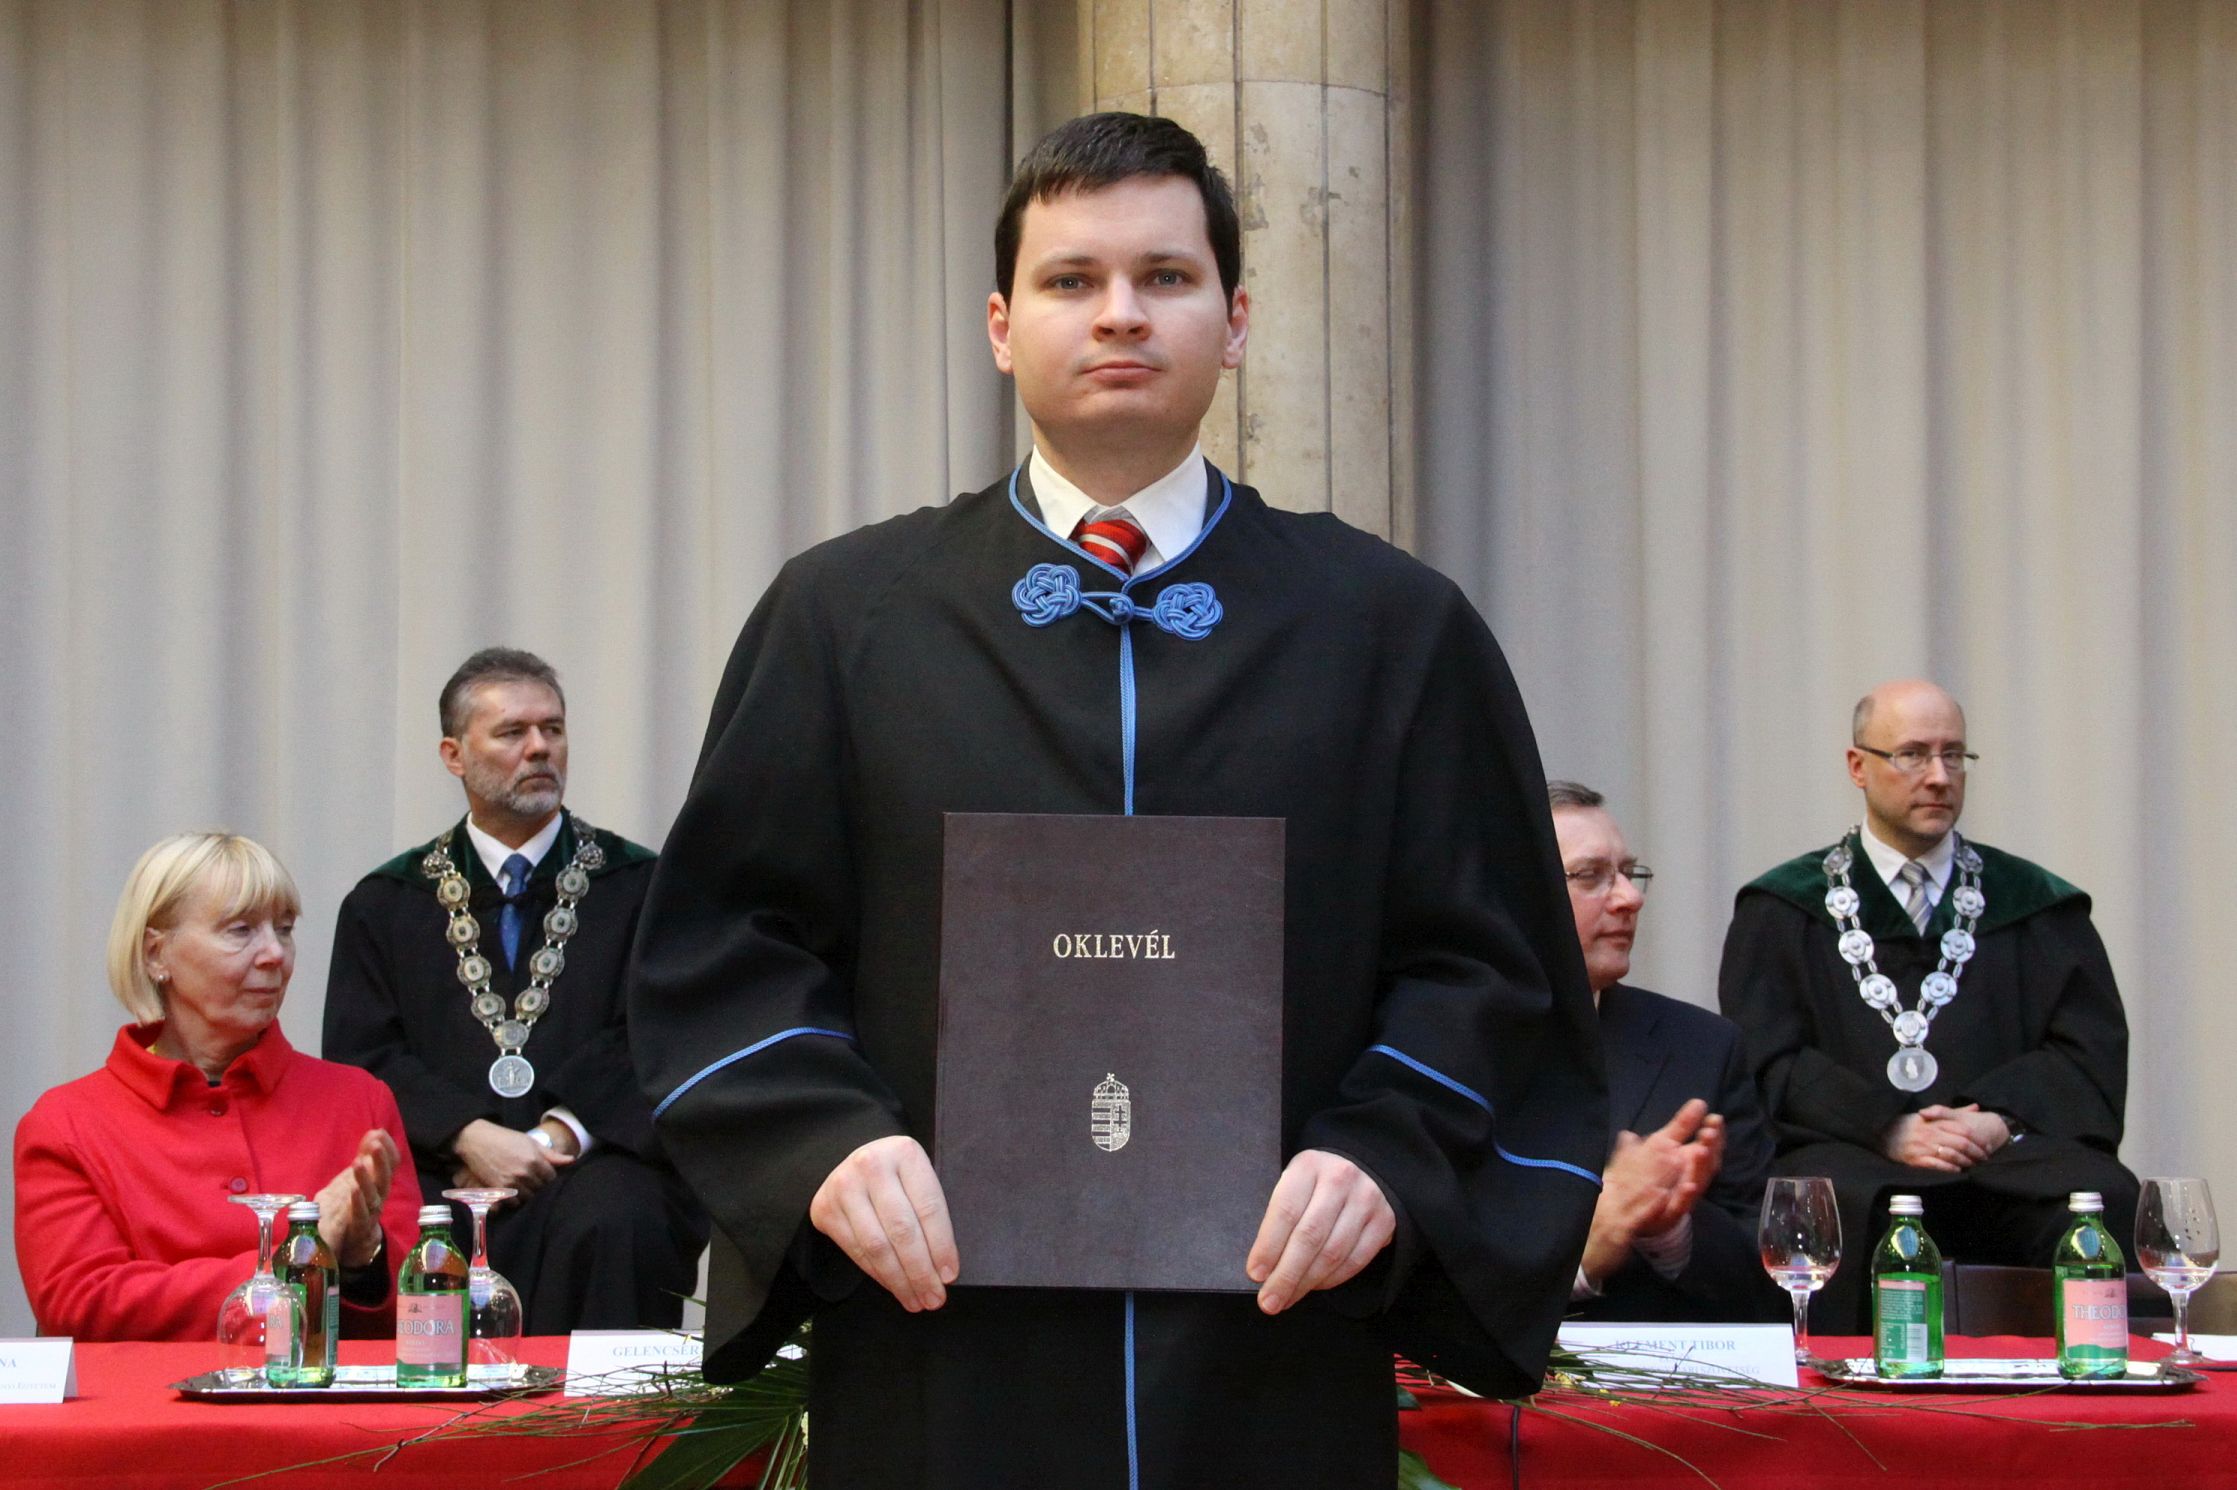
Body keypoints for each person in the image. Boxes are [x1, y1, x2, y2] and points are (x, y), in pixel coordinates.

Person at [628, 112, 1605, 1487]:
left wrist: (1387, 1150)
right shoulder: (847, 619)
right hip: (942, 1341)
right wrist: (821, 1142)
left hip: (1273, 1333)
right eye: (1071, 279)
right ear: (1000, 325)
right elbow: (728, 943)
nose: (1120, 314)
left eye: (1166, 276)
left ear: (1236, 320)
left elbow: (1489, 961)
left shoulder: (1389, 627)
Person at [1719, 679, 2138, 1331]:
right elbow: (1767, 1060)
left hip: (2002, 1157)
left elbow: (2085, 1052)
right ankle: (1836, 1391)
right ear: (1858, 765)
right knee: (1825, 1198)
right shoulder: (1782, 910)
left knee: (2099, 1194)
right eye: (1912, 754)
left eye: (1953, 755)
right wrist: (1886, 1126)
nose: (1938, 776)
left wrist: (1996, 1118)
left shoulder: (2036, 906)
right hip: (1852, 1156)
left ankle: (2087, 1381)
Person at [323, 647, 705, 1333]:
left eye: (552, 729)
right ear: (453, 755)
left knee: (622, 1215)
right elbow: (363, 1057)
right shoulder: (386, 904)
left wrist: (557, 1133)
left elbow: (666, 1031)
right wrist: (467, 1133)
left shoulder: (642, 887)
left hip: (594, 1163)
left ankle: (603, 1413)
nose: (539, 748)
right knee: (401, 1226)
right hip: (445, 1169)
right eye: (512, 732)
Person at [13, 833, 418, 1341]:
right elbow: (80, 1304)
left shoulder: (359, 1100)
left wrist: (365, 1257)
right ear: (157, 954)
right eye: (241, 930)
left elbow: (422, 1310)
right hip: (150, 1397)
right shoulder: (66, 1124)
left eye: (285, 929)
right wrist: (295, 1262)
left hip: (321, 1393)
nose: (275, 954)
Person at [1550, 782, 1783, 1324]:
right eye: (1590, 876)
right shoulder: (1438, 1046)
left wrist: (1671, 1232)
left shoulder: (1702, 1047)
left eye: (1629, 872)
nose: (1629, 898)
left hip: (1664, 1371)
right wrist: (1588, 1252)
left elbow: (1772, 1287)